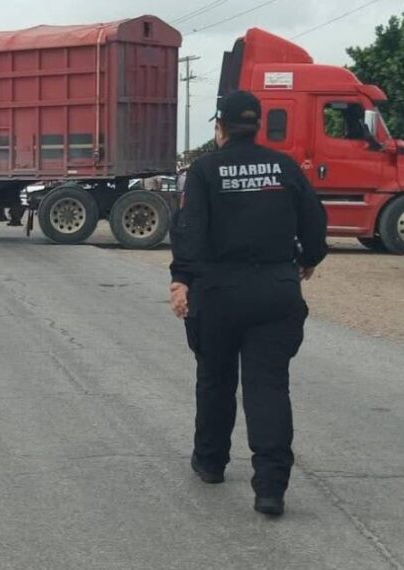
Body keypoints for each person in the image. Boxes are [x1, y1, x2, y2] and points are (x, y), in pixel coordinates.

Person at [169, 90, 328, 517]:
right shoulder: (284, 167)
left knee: (216, 379)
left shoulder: (204, 171)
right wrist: (309, 259)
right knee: (268, 386)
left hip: (218, 292)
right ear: (257, 125)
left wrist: (181, 280)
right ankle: (270, 488)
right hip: (276, 291)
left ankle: (211, 462)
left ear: (219, 126)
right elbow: (315, 218)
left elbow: (189, 229)